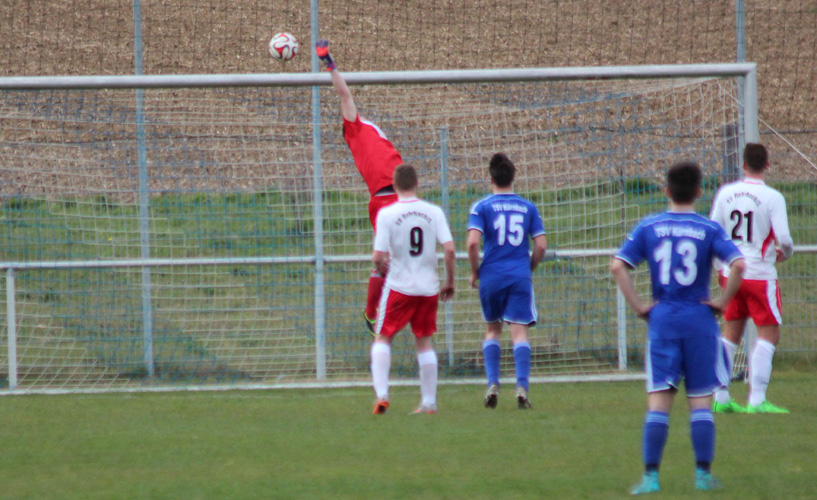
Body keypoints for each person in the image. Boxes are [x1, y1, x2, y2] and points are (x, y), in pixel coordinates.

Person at [610, 161, 745, 494]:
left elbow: (617, 266)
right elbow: (740, 264)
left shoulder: (650, 227)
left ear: (666, 190)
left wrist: (640, 307)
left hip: (664, 321)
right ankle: (702, 476)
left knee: (659, 402)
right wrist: (722, 302)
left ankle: (651, 478)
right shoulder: (708, 229)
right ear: (699, 192)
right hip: (700, 322)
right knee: (700, 401)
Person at [316, 39, 404, 336]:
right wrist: (329, 62)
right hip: (386, 199)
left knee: (403, 257)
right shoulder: (353, 127)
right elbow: (343, 93)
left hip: (400, 195)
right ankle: (373, 312)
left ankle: (386, 307)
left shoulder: (369, 129)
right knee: (390, 259)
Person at [709, 143, 794, 414]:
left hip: (731, 272)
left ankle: (721, 397)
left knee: (730, 333)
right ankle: (757, 400)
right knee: (769, 333)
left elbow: (714, 231)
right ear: (767, 165)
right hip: (759, 274)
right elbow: (785, 239)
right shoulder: (772, 197)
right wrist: (785, 254)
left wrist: (716, 265)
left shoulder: (726, 193)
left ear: (743, 165)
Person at [370, 164, 456, 415]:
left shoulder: (387, 214)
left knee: (383, 337)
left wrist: (384, 268)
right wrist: (450, 281)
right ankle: (429, 402)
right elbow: (449, 250)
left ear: (395, 186)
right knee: (424, 342)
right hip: (428, 289)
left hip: (399, 286)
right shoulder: (433, 212)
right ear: (417, 183)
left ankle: (382, 394)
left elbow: (378, 256)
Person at [466, 153, 547, 409]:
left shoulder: (481, 207)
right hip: (518, 275)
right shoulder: (528, 207)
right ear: (513, 178)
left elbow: (472, 243)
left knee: (492, 329)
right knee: (519, 332)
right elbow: (541, 246)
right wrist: (529, 267)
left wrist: (475, 271)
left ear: (491, 179)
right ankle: (522, 387)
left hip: (491, 276)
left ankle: (493, 383)